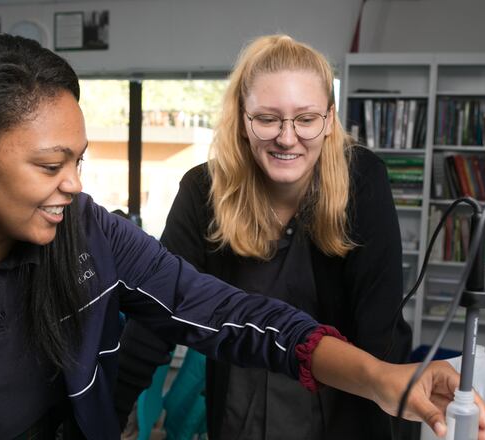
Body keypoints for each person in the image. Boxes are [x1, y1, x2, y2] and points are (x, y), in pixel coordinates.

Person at [0, 34, 485, 440]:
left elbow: (234, 317)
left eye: (79, 160)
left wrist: (385, 381)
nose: (73, 184)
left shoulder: (89, 235)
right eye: (49, 164)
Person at [117, 34, 415, 439]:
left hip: (343, 410)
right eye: (268, 118)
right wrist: (106, 411)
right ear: (243, 119)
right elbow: (158, 311)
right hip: (239, 413)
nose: (287, 137)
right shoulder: (203, 190)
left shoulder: (362, 180)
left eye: (306, 119)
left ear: (329, 121)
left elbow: (380, 333)